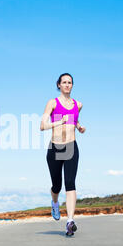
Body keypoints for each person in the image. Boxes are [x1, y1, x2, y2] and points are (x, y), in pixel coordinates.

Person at [40, 73, 86, 236]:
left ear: (72, 85)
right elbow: (42, 125)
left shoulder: (78, 104)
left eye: (70, 82)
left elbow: (74, 120)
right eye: (64, 82)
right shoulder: (52, 103)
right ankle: (54, 202)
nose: (67, 85)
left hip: (71, 146)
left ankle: (70, 221)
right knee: (57, 185)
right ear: (58, 85)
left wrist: (79, 127)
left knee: (70, 182)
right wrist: (60, 121)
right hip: (55, 147)